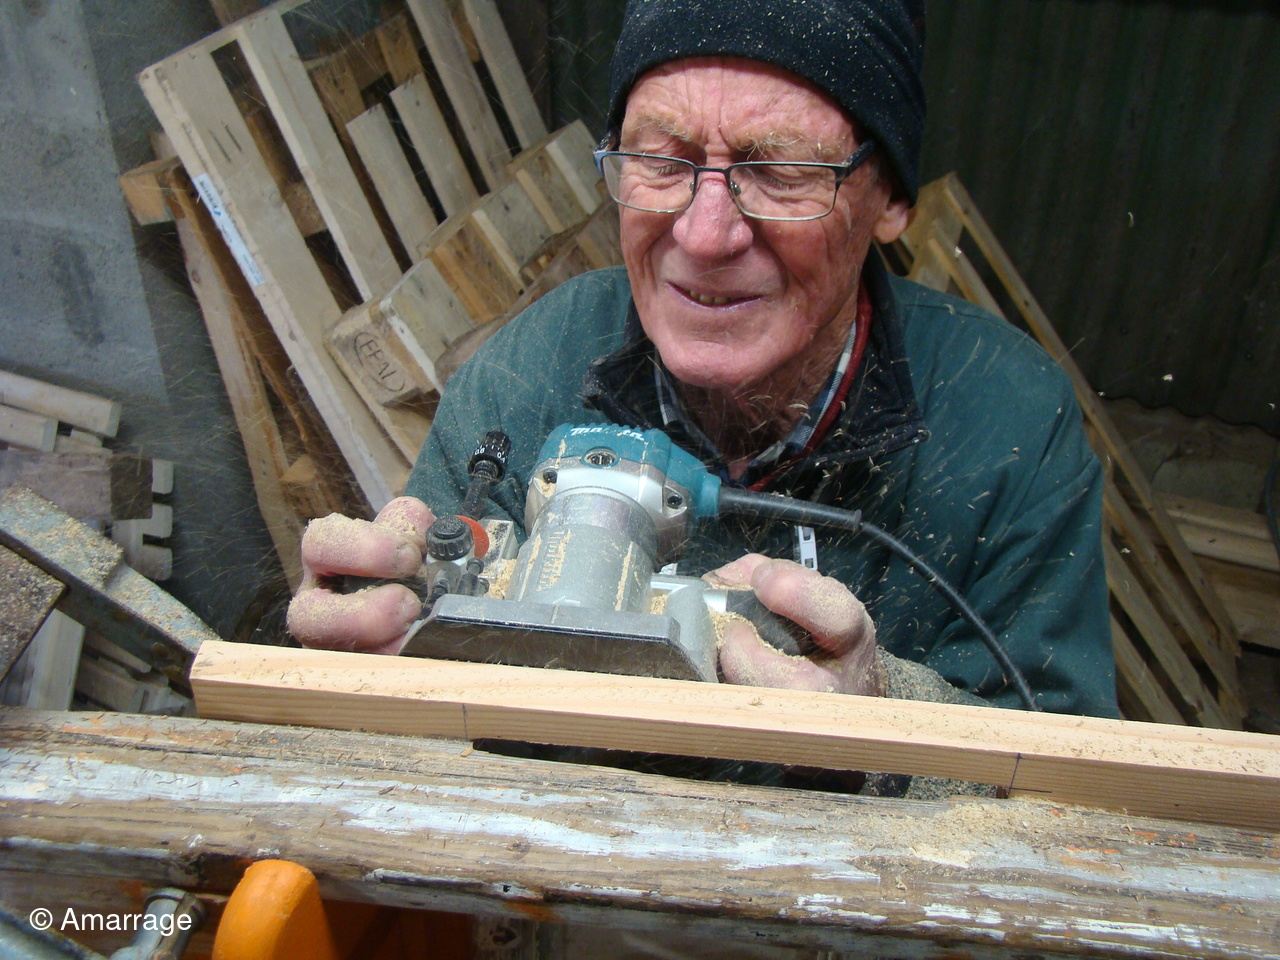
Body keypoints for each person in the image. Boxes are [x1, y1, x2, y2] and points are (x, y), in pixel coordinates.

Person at [289, 0, 1117, 725]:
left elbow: (1071, 776)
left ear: (891, 197)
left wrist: (885, 712)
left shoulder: (1005, 428)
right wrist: (370, 642)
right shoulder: (532, 372)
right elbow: (417, 687)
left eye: (781, 170)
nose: (704, 233)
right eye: (661, 160)